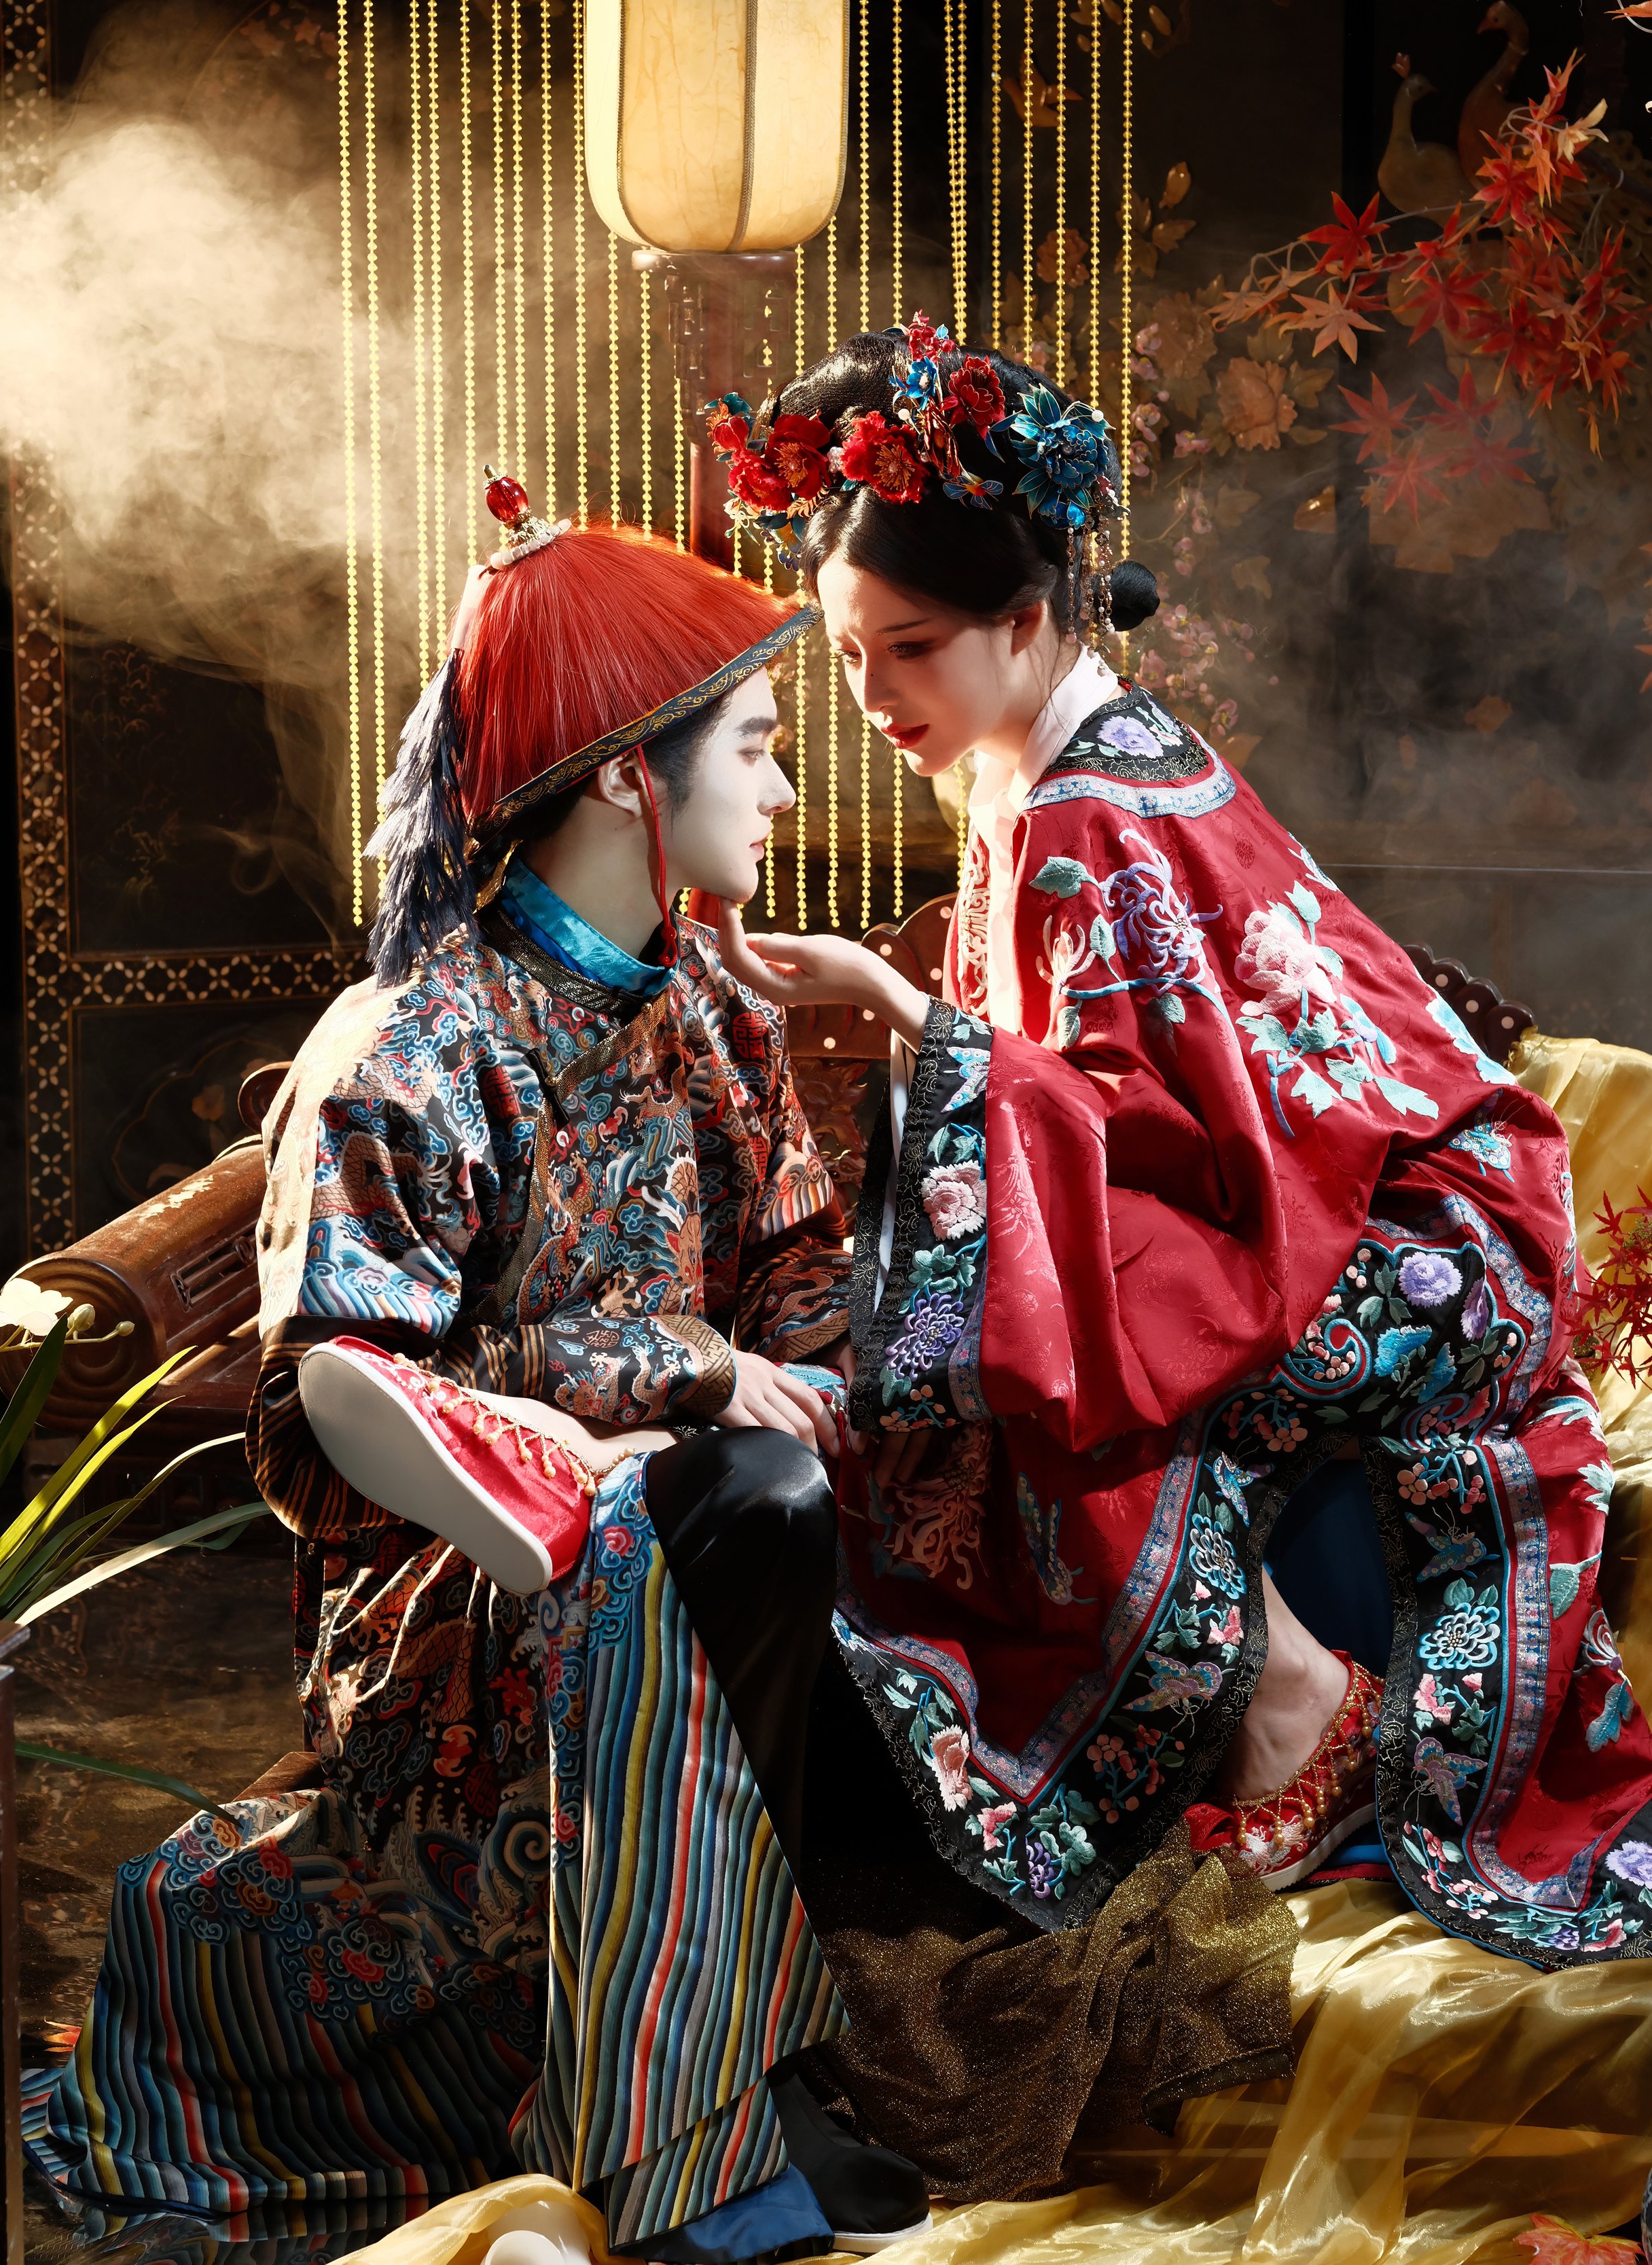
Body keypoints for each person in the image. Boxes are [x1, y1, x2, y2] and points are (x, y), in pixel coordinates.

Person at [29, 488, 933, 2262]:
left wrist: (853, 1370)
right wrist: (661, 1385)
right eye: (753, 748)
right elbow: (346, 1386)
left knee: (846, 1491)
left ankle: (755, 2064)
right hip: (462, 1585)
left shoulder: (721, 1015)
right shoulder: (409, 1041)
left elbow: (805, 1290)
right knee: (732, 1506)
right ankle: (682, 2142)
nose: (783, 791)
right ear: (621, 775)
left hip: (703, 1524)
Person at [709, 316, 1652, 1986]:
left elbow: (1139, 1150)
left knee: (1027, 1340)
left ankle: (1291, 1698)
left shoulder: (1086, 818)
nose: (866, 704)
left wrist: (904, 1019)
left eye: (903, 650)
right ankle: (1273, 1685)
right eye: (846, 659)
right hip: (1395, 1197)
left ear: (1024, 617)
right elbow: (1144, 1120)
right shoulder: (1069, 752)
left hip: (1418, 1248)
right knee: (998, 1289)